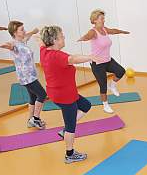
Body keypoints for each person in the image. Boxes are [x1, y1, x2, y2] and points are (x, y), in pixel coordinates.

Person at [40, 25, 101, 164]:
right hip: (65, 96)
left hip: (59, 92)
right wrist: (90, 56)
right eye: (61, 36)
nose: (64, 38)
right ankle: (70, 154)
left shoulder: (44, 51)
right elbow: (73, 59)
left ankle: (65, 130)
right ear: (54, 40)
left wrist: (37, 33)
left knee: (86, 105)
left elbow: (40, 40)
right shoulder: (57, 56)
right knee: (71, 127)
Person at [78, 9, 129, 114]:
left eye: (103, 18)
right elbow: (88, 36)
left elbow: (113, 31)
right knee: (103, 85)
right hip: (97, 63)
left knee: (121, 71)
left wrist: (123, 32)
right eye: (102, 18)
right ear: (95, 20)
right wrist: (83, 38)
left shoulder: (104, 29)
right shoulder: (93, 32)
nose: (104, 20)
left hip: (108, 60)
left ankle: (113, 85)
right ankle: (105, 105)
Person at [0, 21, 46, 129]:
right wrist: (8, 45)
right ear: (15, 33)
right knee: (42, 95)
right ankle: (36, 119)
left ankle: (30, 120)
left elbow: (27, 35)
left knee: (33, 97)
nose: (24, 31)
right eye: (22, 30)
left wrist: (34, 31)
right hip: (27, 77)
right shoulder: (14, 44)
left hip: (30, 75)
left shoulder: (22, 40)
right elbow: (8, 45)